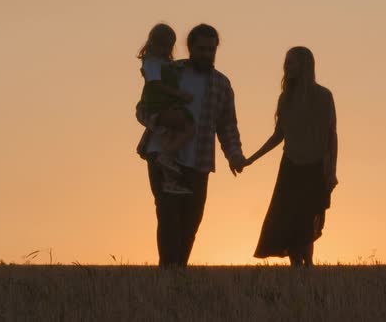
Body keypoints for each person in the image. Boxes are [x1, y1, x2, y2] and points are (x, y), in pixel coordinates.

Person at [136, 24, 246, 268]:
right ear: (190, 48)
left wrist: (235, 155)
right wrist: (161, 119)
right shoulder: (170, 71)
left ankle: (179, 274)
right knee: (168, 216)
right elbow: (143, 108)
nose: (207, 54)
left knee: (191, 221)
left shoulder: (222, 85)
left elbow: (227, 125)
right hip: (163, 157)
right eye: (202, 49)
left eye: (211, 49)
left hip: (199, 161)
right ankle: (168, 272)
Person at [246, 46, 338, 267]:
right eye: (286, 62)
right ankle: (297, 267)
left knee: (307, 222)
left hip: (315, 168)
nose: (287, 67)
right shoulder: (285, 98)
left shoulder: (324, 96)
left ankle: (307, 265)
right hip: (290, 168)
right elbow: (279, 135)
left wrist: (331, 171)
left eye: (292, 62)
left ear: (306, 65)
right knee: (287, 221)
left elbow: (331, 136)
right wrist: (251, 159)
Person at [137, 23, 194, 195]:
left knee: (170, 133)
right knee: (188, 125)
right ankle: (166, 156)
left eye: (169, 46)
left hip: (163, 105)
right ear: (154, 43)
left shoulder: (164, 63)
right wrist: (179, 94)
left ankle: (170, 179)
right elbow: (156, 85)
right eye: (163, 45)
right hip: (157, 104)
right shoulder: (152, 62)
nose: (166, 49)